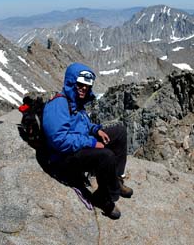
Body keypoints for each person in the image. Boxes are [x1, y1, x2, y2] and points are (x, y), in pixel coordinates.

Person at [42, 62, 133, 219]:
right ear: (71, 82)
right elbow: (59, 139)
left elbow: (83, 124)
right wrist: (91, 143)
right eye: (80, 84)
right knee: (106, 155)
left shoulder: (76, 102)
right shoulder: (59, 104)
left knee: (119, 132)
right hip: (64, 157)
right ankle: (104, 198)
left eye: (87, 85)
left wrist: (96, 130)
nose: (84, 88)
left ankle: (115, 179)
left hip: (79, 144)